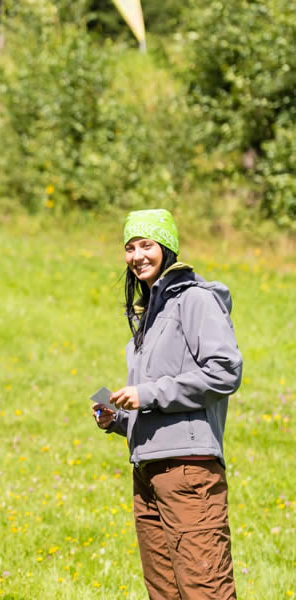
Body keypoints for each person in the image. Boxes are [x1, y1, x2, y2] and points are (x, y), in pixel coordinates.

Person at [93, 208, 242, 599]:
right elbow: (159, 405)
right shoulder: (149, 319)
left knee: (205, 589)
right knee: (164, 593)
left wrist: (148, 393)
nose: (137, 255)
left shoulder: (195, 301)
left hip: (189, 469)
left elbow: (225, 371)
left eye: (146, 244)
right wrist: (120, 419)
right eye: (129, 247)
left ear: (167, 247)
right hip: (148, 470)